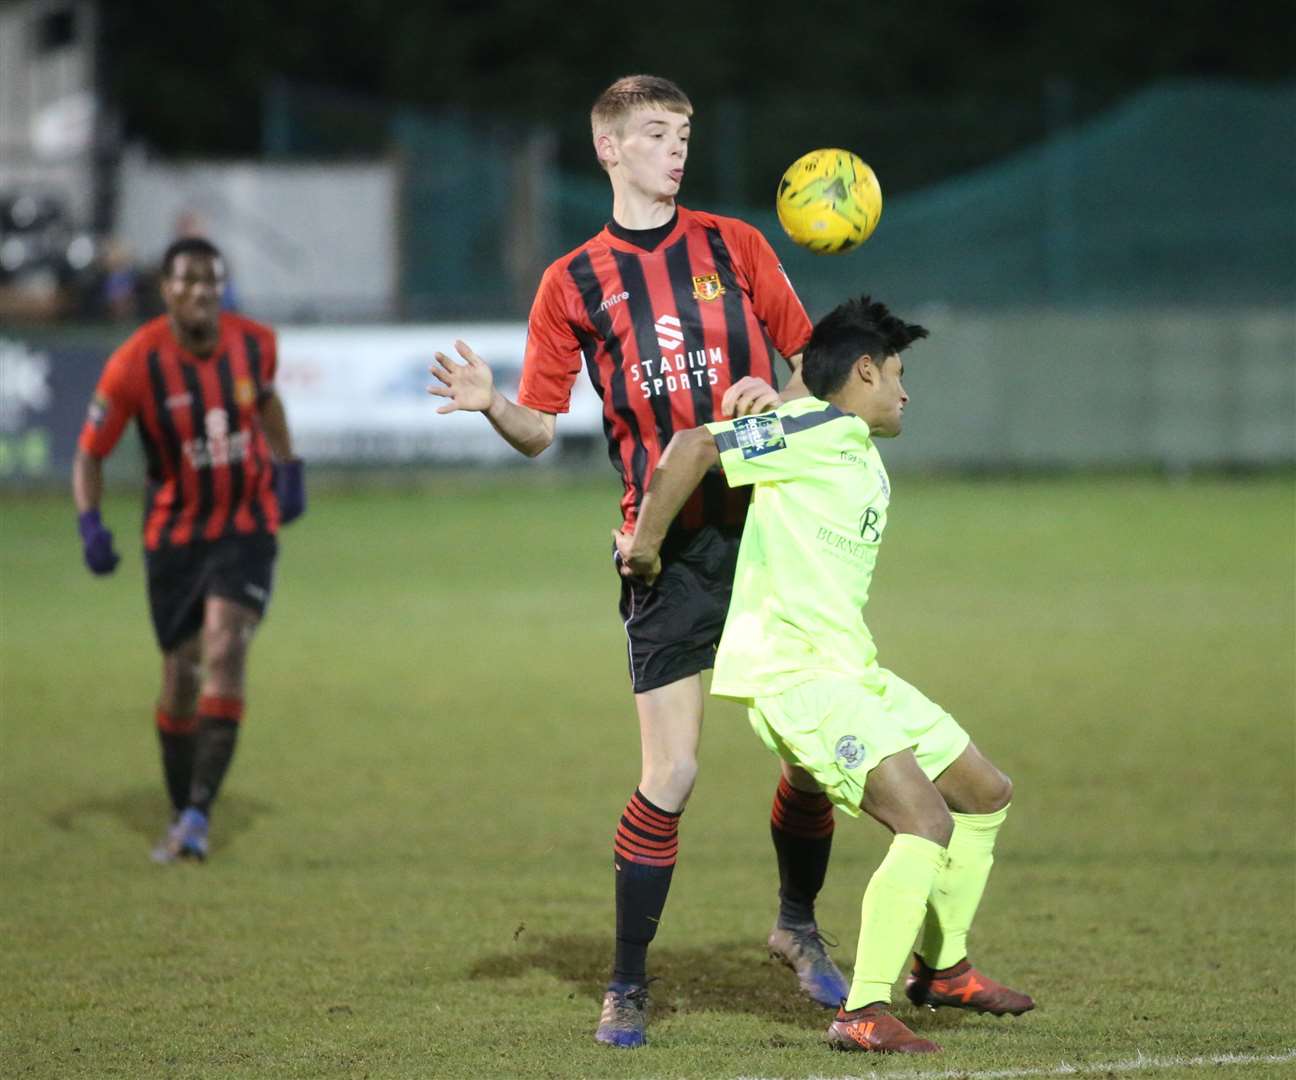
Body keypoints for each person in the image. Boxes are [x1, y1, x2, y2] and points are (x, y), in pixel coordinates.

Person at [428, 75, 849, 1047]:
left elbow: (818, 374)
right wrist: (495, 401)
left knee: (813, 755)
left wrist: (773, 396)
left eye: (685, 132)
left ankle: (795, 925)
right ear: (608, 147)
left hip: (768, 528)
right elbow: (540, 429)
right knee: (674, 771)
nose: (677, 149)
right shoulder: (572, 281)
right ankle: (626, 984)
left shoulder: (736, 245)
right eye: (658, 133)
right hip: (660, 550)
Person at [616, 295, 1035, 1054]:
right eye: (898, 375)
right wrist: (645, 548)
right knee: (925, 823)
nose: (907, 394)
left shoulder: (854, 449)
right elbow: (691, 447)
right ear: (865, 371)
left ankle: (943, 969)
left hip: (853, 669)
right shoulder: (817, 429)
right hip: (798, 677)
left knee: (984, 793)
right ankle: (862, 1012)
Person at [72, 236, 305, 863]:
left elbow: (269, 400)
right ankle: (182, 811)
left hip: (246, 526)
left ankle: (199, 816)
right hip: (174, 537)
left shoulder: (255, 343)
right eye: (187, 281)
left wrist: (289, 466)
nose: (201, 291)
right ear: (166, 290)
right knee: (180, 678)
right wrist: (90, 524)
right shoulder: (134, 363)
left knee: (225, 646)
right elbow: (90, 453)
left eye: (212, 280)